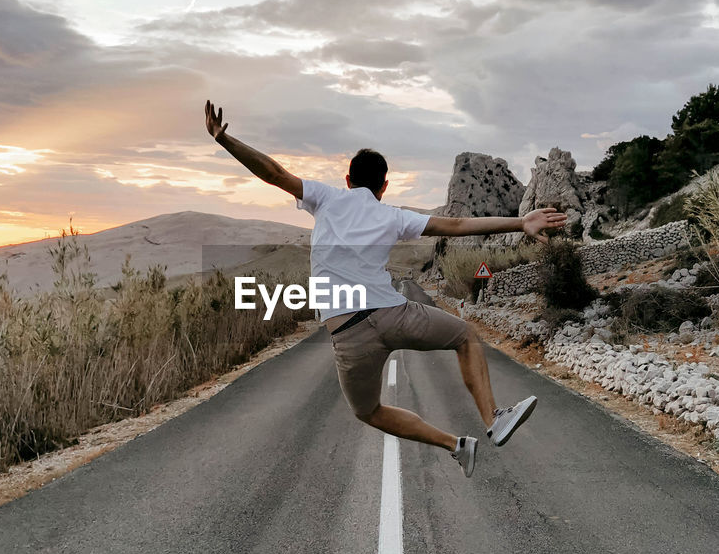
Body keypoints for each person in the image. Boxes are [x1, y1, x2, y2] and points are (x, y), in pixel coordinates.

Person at [204, 100, 566, 477]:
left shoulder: (325, 198)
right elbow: (457, 225)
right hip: (393, 314)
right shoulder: (392, 215)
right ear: (384, 186)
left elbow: (274, 173)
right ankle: (493, 419)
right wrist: (521, 221)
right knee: (466, 338)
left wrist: (225, 139)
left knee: (368, 411)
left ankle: (454, 445)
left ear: (348, 180)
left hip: (347, 333)